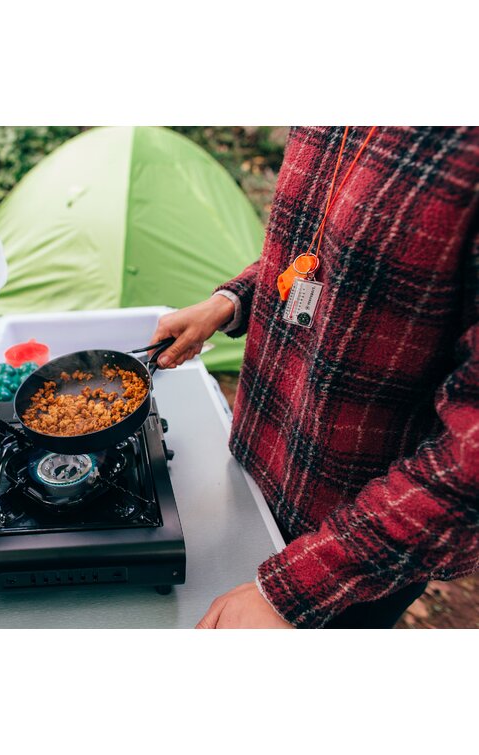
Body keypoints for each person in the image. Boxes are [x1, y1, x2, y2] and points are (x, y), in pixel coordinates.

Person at [151, 126, 479, 629]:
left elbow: (469, 461)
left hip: (359, 533)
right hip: (260, 465)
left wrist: (294, 589)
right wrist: (229, 302)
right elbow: (318, 255)